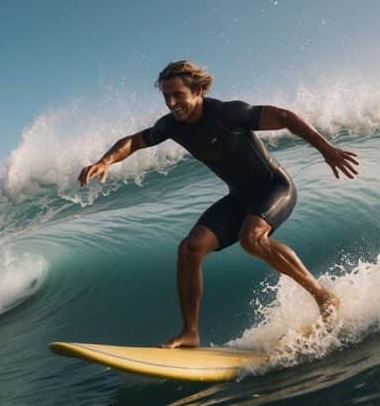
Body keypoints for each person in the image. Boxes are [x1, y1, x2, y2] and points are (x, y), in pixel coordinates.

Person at [78, 60, 359, 348]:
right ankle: (190, 332)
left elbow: (284, 116)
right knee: (190, 248)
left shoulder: (228, 113)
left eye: (178, 95)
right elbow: (134, 142)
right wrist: (105, 161)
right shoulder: (172, 126)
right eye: (166, 96)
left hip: (274, 187)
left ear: (197, 90)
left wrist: (327, 149)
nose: (172, 103)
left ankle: (323, 296)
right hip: (239, 196)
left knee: (251, 239)